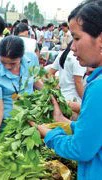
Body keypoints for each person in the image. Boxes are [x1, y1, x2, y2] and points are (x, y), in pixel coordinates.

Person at [31, 1, 102, 179]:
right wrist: (64, 122)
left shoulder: (98, 87)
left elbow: (81, 149)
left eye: (77, 38)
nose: (72, 47)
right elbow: (95, 134)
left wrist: (50, 134)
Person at [0, 36, 42, 135]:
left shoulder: (31, 59)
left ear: (21, 57)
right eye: (3, 62)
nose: (7, 66)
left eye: (13, 63)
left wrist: (49, 93)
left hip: (32, 118)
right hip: (9, 122)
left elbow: (36, 80)